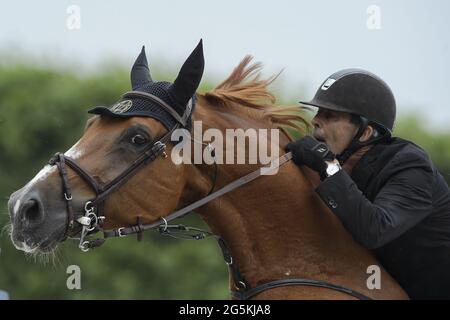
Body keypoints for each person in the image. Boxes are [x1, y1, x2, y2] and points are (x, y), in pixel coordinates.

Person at [286, 69, 450, 299]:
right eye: (318, 112)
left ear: (366, 133)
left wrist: (328, 166)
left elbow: (374, 230)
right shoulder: (339, 166)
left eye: (330, 115)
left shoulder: (410, 166)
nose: (315, 120)